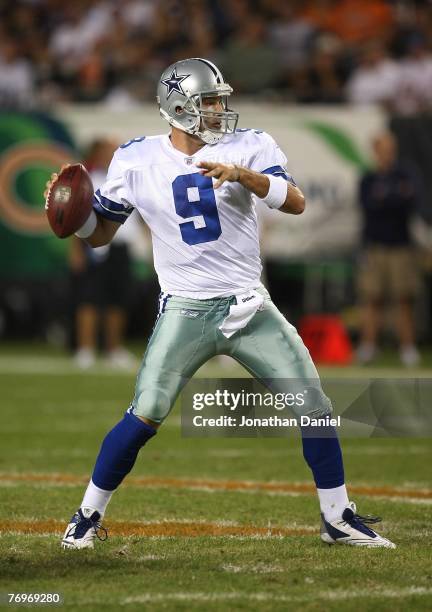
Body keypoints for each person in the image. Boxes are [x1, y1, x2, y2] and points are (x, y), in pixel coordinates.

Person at [46, 58, 394, 549]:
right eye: (208, 100)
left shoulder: (250, 144)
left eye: (218, 99)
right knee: (145, 414)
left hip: (249, 306)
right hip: (185, 309)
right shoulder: (136, 158)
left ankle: (337, 517)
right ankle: (86, 515)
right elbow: (100, 234)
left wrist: (243, 176)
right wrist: (71, 217)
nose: (218, 109)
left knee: (314, 407)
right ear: (177, 107)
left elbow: (295, 202)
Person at [70, 138, 137, 369]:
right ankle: (86, 349)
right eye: (109, 150)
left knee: (118, 301)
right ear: (97, 154)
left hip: (121, 247)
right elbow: (76, 217)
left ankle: (113, 349)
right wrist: (76, 251)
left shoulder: (130, 177)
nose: (115, 154)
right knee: (90, 299)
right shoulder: (88, 180)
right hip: (94, 247)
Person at [356, 131, 422, 367]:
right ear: (376, 151)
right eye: (382, 149)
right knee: (372, 298)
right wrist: (392, 199)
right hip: (375, 247)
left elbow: (409, 203)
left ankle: (407, 347)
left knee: (403, 299)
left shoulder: (405, 174)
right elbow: (369, 207)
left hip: (401, 247)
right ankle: (368, 347)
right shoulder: (368, 178)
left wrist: (387, 199)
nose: (387, 154)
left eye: (390, 149)